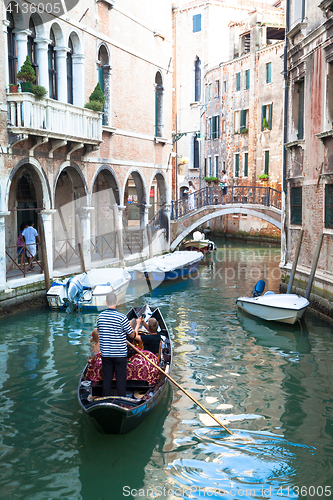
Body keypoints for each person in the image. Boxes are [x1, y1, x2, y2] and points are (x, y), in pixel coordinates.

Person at [97, 291, 138, 397]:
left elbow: (100, 331)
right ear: (116, 301)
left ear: (106, 302)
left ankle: (105, 399)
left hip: (106, 354)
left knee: (107, 379)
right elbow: (132, 335)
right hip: (120, 354)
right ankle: (122, 401)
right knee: (120, 379)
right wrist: (133, 328)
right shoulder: (122, 318)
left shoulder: (100, 317)